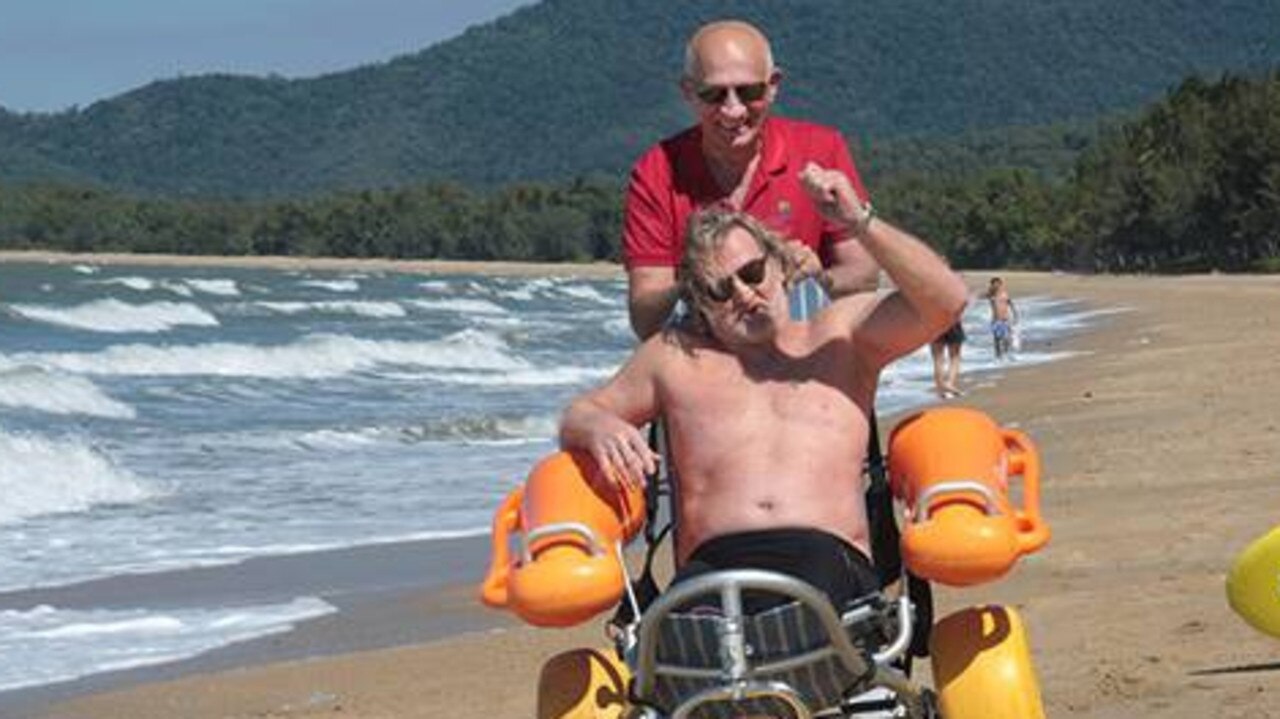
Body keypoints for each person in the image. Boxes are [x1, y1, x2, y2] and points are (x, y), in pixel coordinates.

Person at [560, 166, 967, 610]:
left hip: (828, 560)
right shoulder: (675, 358)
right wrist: (600, 426)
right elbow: (581, 413)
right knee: (682, 639)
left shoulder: (841, 337)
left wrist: (858, 221)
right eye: (719, 289)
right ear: (700, 304)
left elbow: (946, 301)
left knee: (795, 617)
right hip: (713, 569)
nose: (742, 293)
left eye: (752, 271)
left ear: (779, 266)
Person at [621, 19, 881, 339]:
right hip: (704, 366)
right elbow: (645, 319)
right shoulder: (656, 171)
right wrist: (702, 285)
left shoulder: (821, 150)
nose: (733, 110)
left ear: (773, 85)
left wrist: (817, 278)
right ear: (689, 92)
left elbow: (866, 275)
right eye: (714, 94)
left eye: (748, 92)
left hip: (800, 354)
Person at [930, 319, 965, 398]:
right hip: (952, 321)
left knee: (938, 357)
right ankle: (949, 384)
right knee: (955, 356)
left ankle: (941, 388)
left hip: (933, 323)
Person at [986, 277, 1018, 359]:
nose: (996, 285)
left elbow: (1011, 304)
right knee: (997, 339)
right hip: (996, 320)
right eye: (994, 284)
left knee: (1006, 338)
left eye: (997, 283)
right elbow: (986, 294)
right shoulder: (991, 295)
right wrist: (991, 289)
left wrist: (1015, 315)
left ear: (1000, 284)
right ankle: (998, 356)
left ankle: (1006, 353)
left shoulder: (1005, 294)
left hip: (1005, 319)